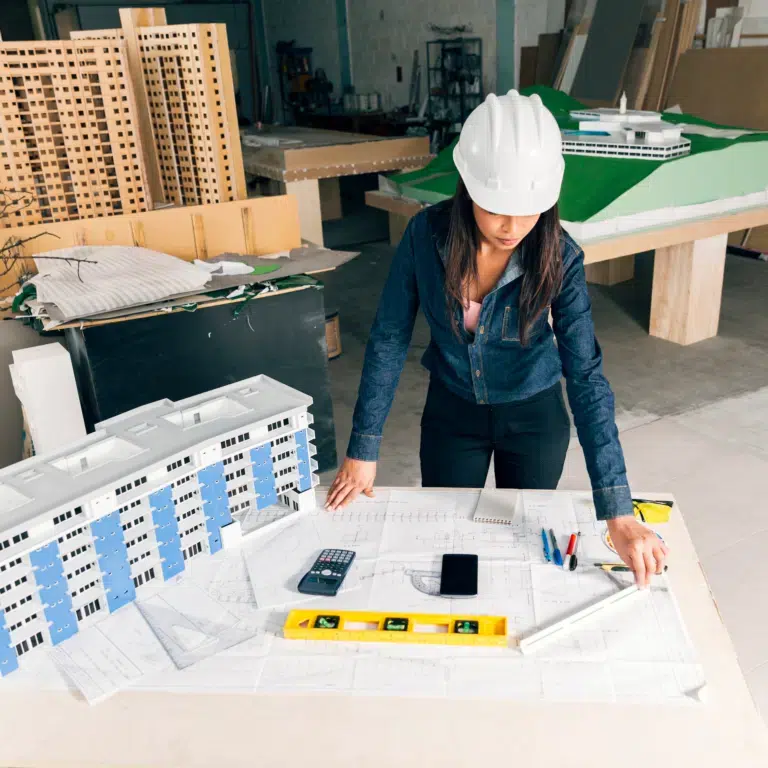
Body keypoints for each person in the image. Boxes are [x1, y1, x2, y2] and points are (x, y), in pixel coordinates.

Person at [326, 91, 668, 587]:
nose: (512, 227)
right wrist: (364, 448)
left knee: (521, 553)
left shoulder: (561, 257)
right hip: (452, 415)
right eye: (497, 208)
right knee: (448, 543)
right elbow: (388, 338)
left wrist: (617, 512)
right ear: (468, 185)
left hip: (534, 418)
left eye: (529, 210)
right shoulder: (425, 236)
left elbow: (586, 376)